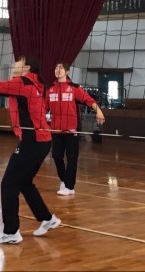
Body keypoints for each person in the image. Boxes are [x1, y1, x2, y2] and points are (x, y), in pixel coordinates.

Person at [0, 56, 60, 245]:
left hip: (33, 141)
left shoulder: (23, 83)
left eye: (19, 61)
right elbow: (4, 92)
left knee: (8, 184)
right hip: (42, 140)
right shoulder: (34, 83)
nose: (15, 63)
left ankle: (11, 232)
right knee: (24, 182)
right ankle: (47, 219)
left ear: (27, 67)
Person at [47, 62, 106, 197]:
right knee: (56, 156)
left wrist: (99, 111)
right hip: (56, 130)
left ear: (67, 72)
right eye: (56, 68)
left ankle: (69, 187)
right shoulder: (50, 90)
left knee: (72, 158)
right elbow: (43, 107)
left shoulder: (74, 88)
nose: (58, 70)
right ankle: (64, 180)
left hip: (71, 130)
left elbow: (89, 100)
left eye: (61, 68)